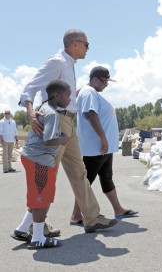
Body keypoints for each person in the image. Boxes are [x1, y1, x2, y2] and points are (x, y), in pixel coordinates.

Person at [19, 29, 118, 234]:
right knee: (46, 175)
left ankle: (91, 218)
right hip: (57, 121)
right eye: (86, 44)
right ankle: (34, 225)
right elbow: (29, 88)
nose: (88, 48)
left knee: (79, 172)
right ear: (74, 43)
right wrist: (30, 112)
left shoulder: (69, 65)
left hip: (69, 122)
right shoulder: (57, 62)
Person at [70, 66, 138, 225]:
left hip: (102, 147)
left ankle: (118, 209)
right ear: (94, 79)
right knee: (86, 181)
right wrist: (103, 137)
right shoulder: (89, 92)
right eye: (104, 81)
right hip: (96, 147)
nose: (107, 85)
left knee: (106, 178)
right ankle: (76, 215)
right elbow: (90, 114)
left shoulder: (88, 92)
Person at [11, 79, 70, 249]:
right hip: (40, 160)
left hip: (35, 158)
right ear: (56, 95)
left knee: (39, 196)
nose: (69, 99)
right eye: (67, 96)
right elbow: (50, 140)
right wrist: (63, 139)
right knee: (41, 199)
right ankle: (37, 238)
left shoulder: (45, 108)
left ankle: (22, 229)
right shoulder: (51, 113)